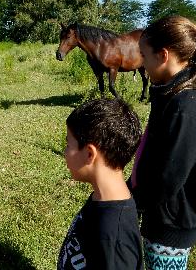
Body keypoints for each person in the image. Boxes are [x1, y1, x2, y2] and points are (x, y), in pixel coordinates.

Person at [129, 15, 196, 269]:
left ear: (163, 56)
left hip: (171, 222)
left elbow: (169, 177)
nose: (142, 64)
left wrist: (135, 201)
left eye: (144, 57)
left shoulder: (183, 107)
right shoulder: (169, 93)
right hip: (162, 214)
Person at [57, 98, 143, 270]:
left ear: (90, 154)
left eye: (68, 144)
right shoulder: (103, 195)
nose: (65, 152)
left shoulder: (115, 242)